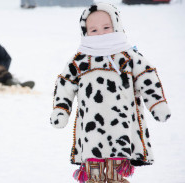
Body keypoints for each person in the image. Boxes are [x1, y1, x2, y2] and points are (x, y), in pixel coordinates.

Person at [50, 3, 171, 183]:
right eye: (94, 29)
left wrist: (157, 104)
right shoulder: (81, 58)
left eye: (106, 27)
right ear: (85, 31)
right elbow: (65, 82)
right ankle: (94, 178)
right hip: (92, 127)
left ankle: (115, 178)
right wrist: (61, 109)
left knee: (116, 164)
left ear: (117, 26)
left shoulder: (128, 55)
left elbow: (147, 77)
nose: (101, 33)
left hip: (121, 124)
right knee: (93, 167)